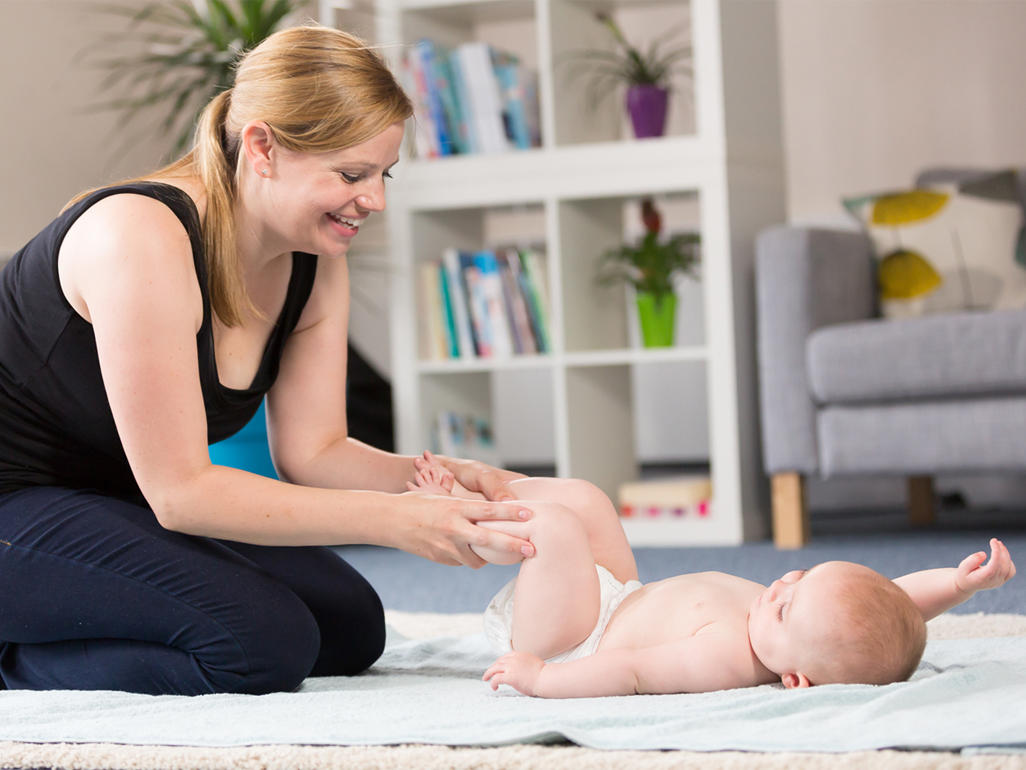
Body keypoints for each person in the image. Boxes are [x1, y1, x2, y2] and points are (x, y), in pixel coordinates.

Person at [0, 24, 537, 696]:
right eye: (352, 174)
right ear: (262, 147)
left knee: (349, 626)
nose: (374, 200)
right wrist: (396, 521)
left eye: (382, 174)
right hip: (14, 503)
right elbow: (181, 492)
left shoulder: (312, 256)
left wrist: (444, 481)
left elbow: (315, 452)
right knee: (261, 645)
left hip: (102, 499)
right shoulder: (138, 237)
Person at [408, 456, 1017, 697]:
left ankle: (461, 521)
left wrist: (542, 678)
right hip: (623, 595)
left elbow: (635, 672)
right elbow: (891, 607)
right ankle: (489, 489)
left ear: (796, 678)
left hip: (573, 639)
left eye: (786, 606)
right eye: (798, 579)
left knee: (559, 530)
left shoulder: (729, 656)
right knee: (589, 501)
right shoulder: (794, 624)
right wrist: (958, 587)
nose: (779, 587)